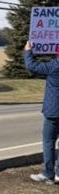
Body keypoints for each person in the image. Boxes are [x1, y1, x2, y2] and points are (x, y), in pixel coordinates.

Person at [23, 40, 59, 185]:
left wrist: (27, 51)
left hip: (53, 111)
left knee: (49, 141)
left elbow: (32, 67)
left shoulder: (54, 66)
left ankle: (48, 173)